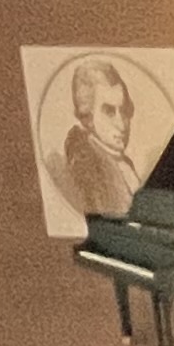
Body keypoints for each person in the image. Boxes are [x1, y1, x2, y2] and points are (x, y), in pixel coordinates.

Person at [56, 56, 142, 225]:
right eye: (109, 112)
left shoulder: (126, 164)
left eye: (124, 110)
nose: (121, 124)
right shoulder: (84, 167)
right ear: (88, 116)